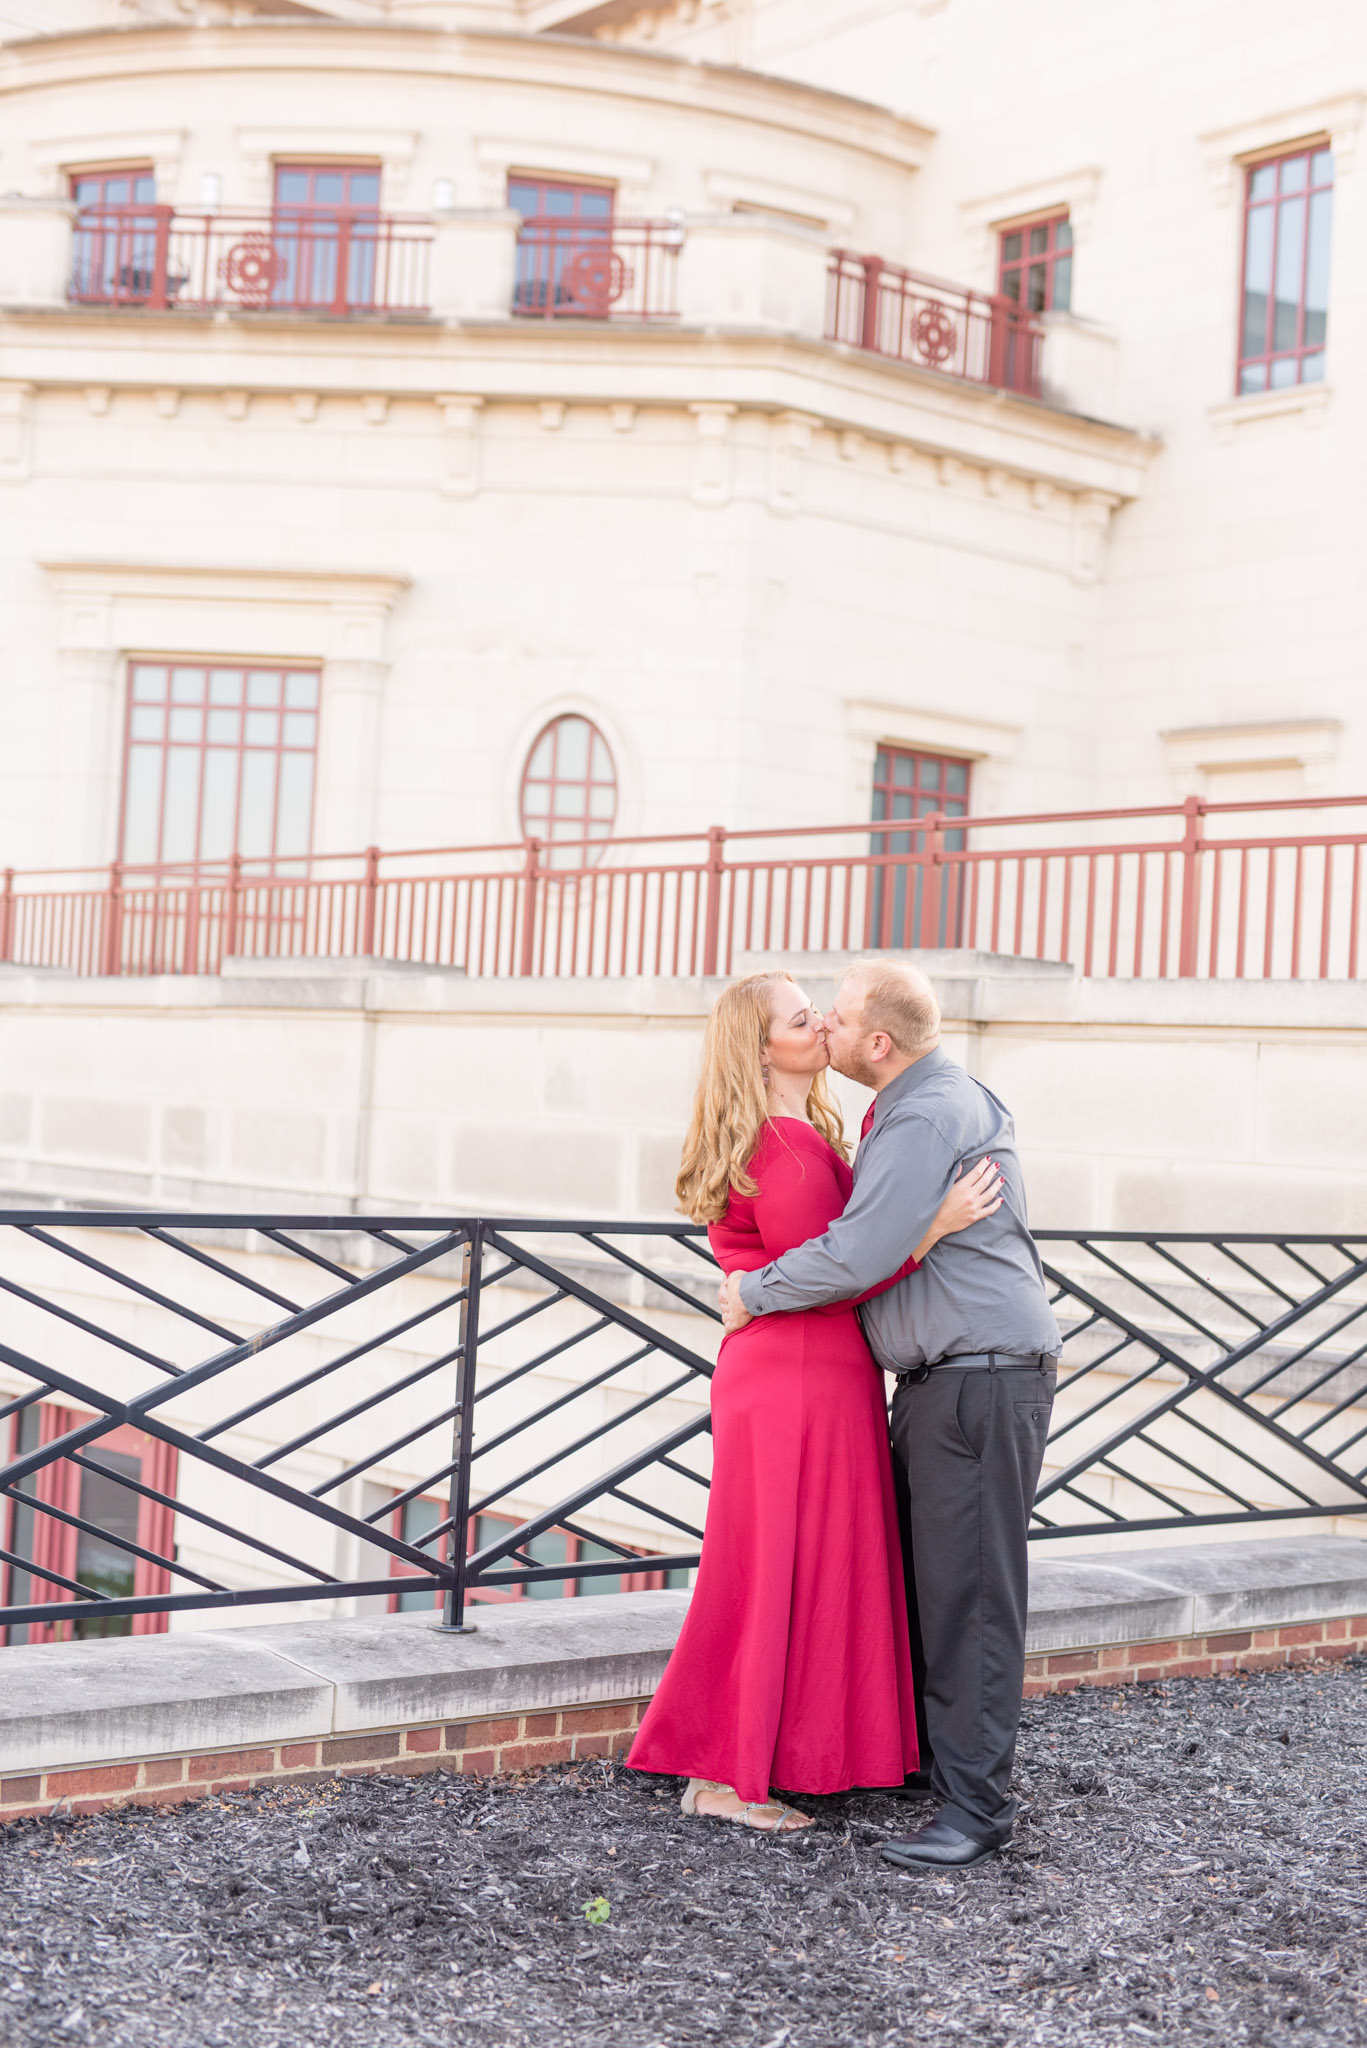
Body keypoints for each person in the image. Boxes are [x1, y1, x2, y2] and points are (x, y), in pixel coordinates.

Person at [626, 970, 1003, 1834]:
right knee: (774, 1575)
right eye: (804, 1020)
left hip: (806, 1375)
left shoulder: (792, 1135)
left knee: (792, 1570)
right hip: (798, 1375)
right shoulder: (786, 1147)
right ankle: (728, 1780)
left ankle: (761, 1758)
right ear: (765, 1051)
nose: (822, 1027)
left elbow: (805, 1269)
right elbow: (830, 1280)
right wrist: (935, 1226)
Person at [720, 958, 1060, 1869]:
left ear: (877, 1041)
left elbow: (857, 1252)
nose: (822, 1030)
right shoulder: (921, 1102)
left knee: (971, 1597)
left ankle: (974, 1811)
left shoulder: (919, 1114)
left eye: (830, 1017)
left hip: (975, 1376)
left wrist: (753, 1289)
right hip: (949, 1377)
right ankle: (940, 1772)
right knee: (933, 1586)